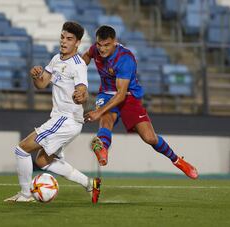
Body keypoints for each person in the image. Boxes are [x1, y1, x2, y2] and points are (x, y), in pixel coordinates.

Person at [81, 25, 198, 179]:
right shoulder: (95, 49)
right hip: (107, 94)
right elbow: (86, 57)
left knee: (150, 138)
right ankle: (102, 148)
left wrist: (97, 111)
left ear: (115, 42)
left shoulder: (125, 59)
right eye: (99, 45)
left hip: (128, 96)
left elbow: (121, 95)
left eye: (106, 45)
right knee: (106, 120)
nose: (102, 49)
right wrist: (78, 77)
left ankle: (177, 161)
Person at [4, 21, 101, 204]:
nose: (64, 42)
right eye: (62, 37)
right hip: (62, 120)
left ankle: (25, 195)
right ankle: (89, 184)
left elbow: (82, 89)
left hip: (66, 120)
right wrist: (36, 76)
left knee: (22, 149)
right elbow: (41, 84)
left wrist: (81, 96)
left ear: (77, 43)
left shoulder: (78, 64)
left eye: (69, 39)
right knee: (42, 161)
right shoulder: (56, 59)